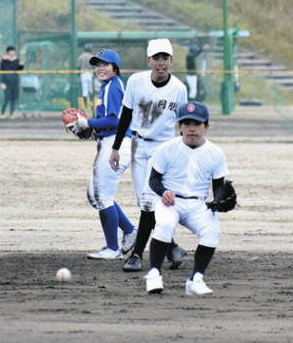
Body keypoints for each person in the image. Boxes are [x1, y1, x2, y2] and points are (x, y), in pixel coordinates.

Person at [109, 38, 188, 272]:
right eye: (156, 58)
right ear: (148, 61)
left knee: (147, 202)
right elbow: (126, 115)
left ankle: (136, 255)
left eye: (165, 58)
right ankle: (172, 247)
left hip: (163, 149)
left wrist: (183, 153)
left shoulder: (179, 89)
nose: (160, 63)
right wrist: (115, 147)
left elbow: (183, 124)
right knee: (147, 203)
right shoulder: (136, 81)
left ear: (172, 61)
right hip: (138, 146)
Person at [144, 102, 229, 295]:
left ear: (206, 127)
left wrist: (220, 200)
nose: (192, 128)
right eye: (186, 123)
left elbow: (218, 186)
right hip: (170, 202)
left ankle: (196, 280)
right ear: (179, 126)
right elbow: (153, 180)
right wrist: (163, 191)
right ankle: (154, 274)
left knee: (212, 231)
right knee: (164, 226)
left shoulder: (215, 153)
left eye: (197, 123)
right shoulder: (167, 148)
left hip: (197, 204)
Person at [70, 49, 137, 259]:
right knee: (95, 195)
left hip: (116, 145)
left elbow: (116, 121)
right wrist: (90, 128)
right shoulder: (109, 87)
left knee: (102, 197)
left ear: (115, 68)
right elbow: (108, 121)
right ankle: (130, 232)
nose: (100, 68)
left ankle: (113, 249)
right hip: (111, 142)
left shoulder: (113, 86)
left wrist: (87, 122)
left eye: (105, 64)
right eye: (97, 64)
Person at [0, 45, 24, 119]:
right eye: (11, 51)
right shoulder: (4, 61)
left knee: (14, 99)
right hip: (7, 83)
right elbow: (1, 72)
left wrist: (21, 66)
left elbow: (19, 69)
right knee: (7, 99)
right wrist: (2, 83)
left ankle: (11, 114)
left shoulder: (17, 60)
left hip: (15, 82)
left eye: (14, 51)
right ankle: (2, 113)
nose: (13, 52)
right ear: (8, 52)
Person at [77, 43, 94, 110]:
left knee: (85, 91)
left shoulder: (81, 56)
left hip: (83, 74)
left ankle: (86, 107)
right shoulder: (92, 56)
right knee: (91, 90)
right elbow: (94, 66)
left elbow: (78, 67)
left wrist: (78, 76)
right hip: (90, 74)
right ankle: (91, 104)